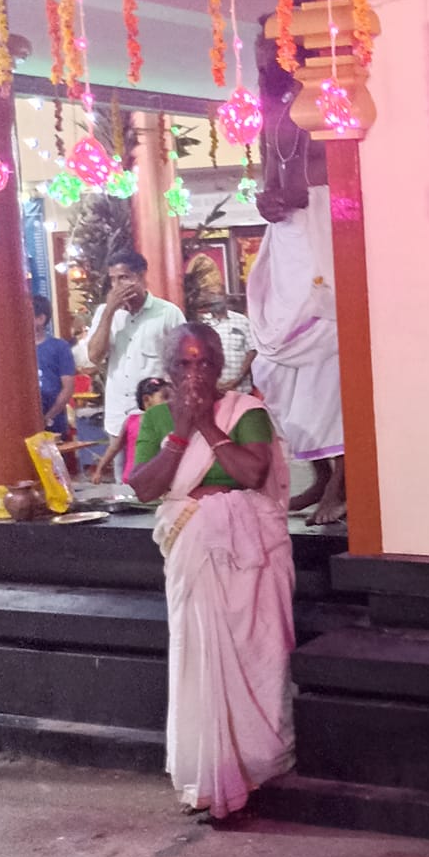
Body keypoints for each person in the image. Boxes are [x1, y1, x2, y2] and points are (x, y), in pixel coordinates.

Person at [126, 324, 294, 822]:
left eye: (204, 364)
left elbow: (252, 474)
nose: (195, 373)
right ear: (167, 369)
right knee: (198, 657)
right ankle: (206, 773)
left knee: (252, 653)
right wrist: (180, 432)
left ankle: (256, 764)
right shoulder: (155, 419)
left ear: (220, 367)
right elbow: (143, 487)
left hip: (248, 561)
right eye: (184, 364)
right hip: (192, 553)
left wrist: (207, 425)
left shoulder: (246, 412)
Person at [246, 28, 346, 525]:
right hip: (286, 232)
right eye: (259, 55)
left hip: (321, 225)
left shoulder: (324, 99)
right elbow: (270, 173)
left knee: (325, 341)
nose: (264, 63)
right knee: (275, 361)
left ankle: (345, 481)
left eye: (272, 53)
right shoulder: (271, 112)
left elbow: (339, 164)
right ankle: (321, 475)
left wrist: (307, 196)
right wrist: (267, 201)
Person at [79, 250, 185, 462]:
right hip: (119, 418)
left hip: (156, 415)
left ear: (142, 276)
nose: (117, 286)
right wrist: (109, 312)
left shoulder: (168, 313)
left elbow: (183, 364)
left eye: (124, 278)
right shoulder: (105, 313)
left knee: (158, 480)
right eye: (113, 280)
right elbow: (94, 356)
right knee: (123, 485)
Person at [90, 375, 172, 487]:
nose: (170, 402)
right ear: (147, 400)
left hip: (157, 483)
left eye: (172, 398)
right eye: (165, 397)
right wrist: (100, 469)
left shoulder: (169, 424)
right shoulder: (131, 422)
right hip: (131, 481)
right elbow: (115, 447)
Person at [32, 295, 76, 439]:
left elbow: (68, 387)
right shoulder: (16, 349)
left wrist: (48, 416)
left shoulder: (59, 347)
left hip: (54, 424)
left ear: (40, 319)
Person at [200, 290, 256, 393]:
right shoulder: (202, 323)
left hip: (240, 389)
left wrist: (237, 379)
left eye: (218, 294)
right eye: (211, 295)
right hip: (212, 390)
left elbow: (252, 351)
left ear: (225, 297)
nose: (215, 299)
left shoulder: (242, 321)